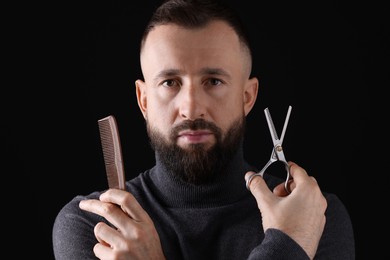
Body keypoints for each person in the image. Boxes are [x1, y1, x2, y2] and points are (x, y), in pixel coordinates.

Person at [52, 0, 355, 259]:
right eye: (170, 82)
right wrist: (290, 244)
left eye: (213, 81)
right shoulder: (93, 225)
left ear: (247, 97)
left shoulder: (316, 216)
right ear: (144, 100)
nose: (191, 108)